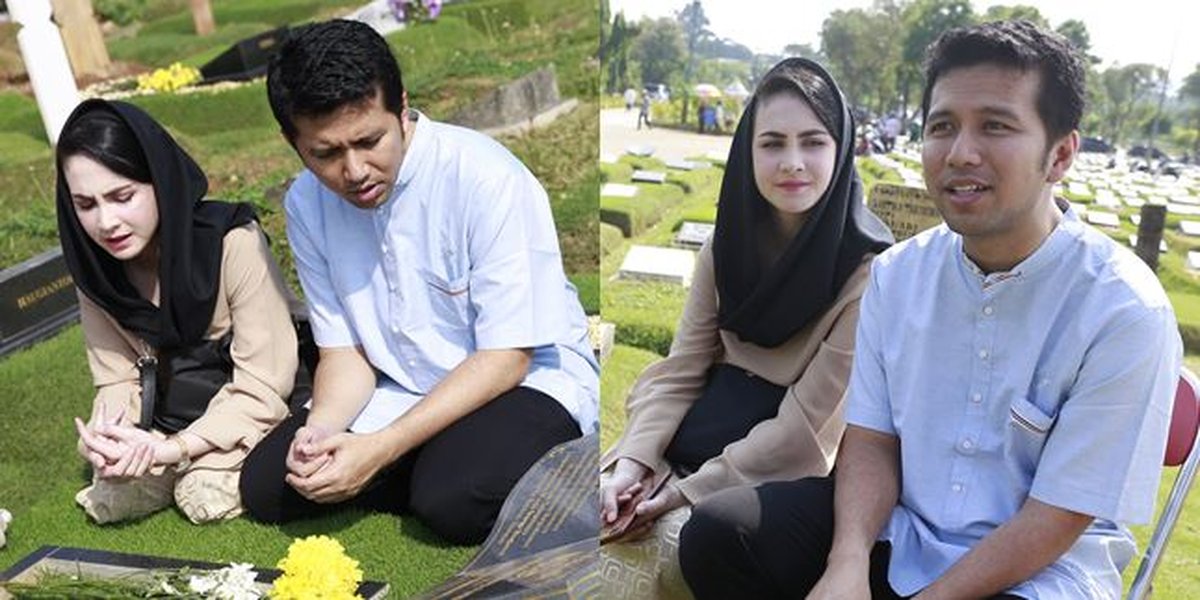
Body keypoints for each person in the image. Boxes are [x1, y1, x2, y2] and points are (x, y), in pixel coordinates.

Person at [678, 20, 1181, 600]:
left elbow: (1058, 516)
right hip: (903, 530)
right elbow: (870, 439)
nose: (961, 153)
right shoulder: (897, 276)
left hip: (1038, 572)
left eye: (995, 126)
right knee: (723, 535)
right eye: (942, 127)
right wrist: (846, 561)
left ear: (1061, 154)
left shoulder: (1123, 311)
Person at [238, 19, 599, 545]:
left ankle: (436, 463)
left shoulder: (485, 177)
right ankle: (427, 458)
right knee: (269, 487)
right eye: (326, 154)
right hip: (401, 387)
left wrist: (383, 447)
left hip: (523, 379)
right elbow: (345, 354)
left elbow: (508, 357)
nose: (355, 170)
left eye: (369, 140)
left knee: (451, 502)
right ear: (292, 142)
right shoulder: (306, 203)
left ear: (402, 107)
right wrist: (321, 432)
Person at [599, 57, 892, 597]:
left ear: (842, 149)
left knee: (683, 549)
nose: (793, 162)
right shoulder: (725, 246)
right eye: (773, 143)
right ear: (747, 150)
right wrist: (633, 462)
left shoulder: (869, 273)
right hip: (693, 435)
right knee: (590, 514)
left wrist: (686, 493)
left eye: (813, 142)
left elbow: (807, 431)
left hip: (773, 470)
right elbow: (681, 370)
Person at [57, 99, 299, 525]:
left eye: (122, 196)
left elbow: (264, 381)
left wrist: (176, 449)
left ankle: (194, 463)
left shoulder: (230, 242)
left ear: (160, 181)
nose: (106, 222)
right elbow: (116, 377)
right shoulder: (94, 269)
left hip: (249, 409)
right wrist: (112, 438)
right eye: (86, 204)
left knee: (203, 496)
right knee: (113, 498)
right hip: (164, 420)